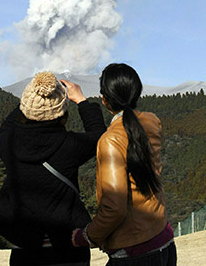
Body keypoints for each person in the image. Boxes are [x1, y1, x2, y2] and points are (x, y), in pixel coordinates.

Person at [0, 71, 106, 266]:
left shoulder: (6, 143)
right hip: (68, 250)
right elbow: (99, 135)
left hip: (25, 250)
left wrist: (33, 96)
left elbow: (6, 126)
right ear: (61, 112)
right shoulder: (70, 146)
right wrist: (81, 100)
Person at [72, 63, 177, 266]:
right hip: (163, 240)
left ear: (104, 99)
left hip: (133, 252)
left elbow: (114, 209)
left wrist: (85, 236)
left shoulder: (110, 140)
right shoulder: (152, 122)